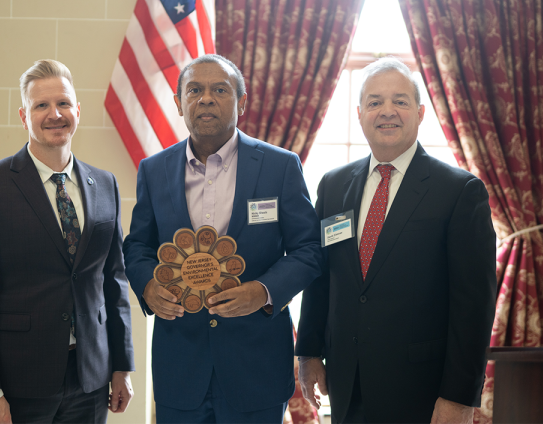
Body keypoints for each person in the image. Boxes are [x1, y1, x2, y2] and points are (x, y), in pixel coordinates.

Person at [295, 57, 496, 424]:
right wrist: (308, 352)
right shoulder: (334, 185)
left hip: (422, 390)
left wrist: (459, 397)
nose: (387, 111)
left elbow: (474, 307)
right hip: (346, 383)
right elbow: (321, 276)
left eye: (400, 101)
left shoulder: (460, 191)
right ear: (359, 114)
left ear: (420, 113)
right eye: (375, 102)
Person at [123, 54, 323, 423]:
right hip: (180, 367)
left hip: (257, 367)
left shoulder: (280, 166)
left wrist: (262, 290)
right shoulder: (154, 170)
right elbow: (137, 246)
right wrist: (149, 285)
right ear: (179, 103)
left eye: (220, 89)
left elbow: (308, 249)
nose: (206, 98)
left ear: (242, 101)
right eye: (194, 90)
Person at [0, 59, 135, 424]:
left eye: (64, 103)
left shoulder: (105, 184)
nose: (55, 114)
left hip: (91, 380)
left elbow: (114, 280)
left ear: (77, 110)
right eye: (41, 105)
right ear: (23, 115)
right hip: (17, 384)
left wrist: (122, 365)